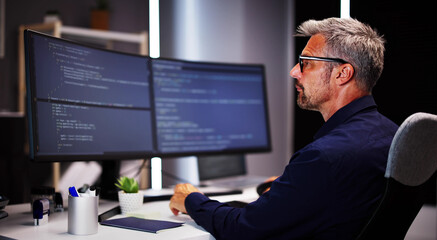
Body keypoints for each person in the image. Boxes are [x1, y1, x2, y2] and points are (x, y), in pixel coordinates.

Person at [169, 17, 398, 240]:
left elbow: (240, 230)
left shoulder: (325, 157)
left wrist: (191, 199)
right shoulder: (392, 135)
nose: (294, 72)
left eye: (306, 62)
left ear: (342, 73)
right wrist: (293, 186)